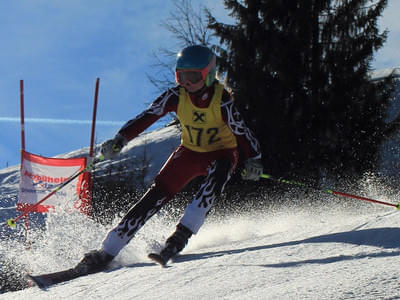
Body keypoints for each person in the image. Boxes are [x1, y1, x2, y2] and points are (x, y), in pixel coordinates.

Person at [76, 45, 262, 273]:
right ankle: (107, 250)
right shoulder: (176, 96)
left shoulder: (221, 101)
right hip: (190, 153)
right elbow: (147, 117)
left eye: (193, 77)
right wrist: (120, 139)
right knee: (157, 192)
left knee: (215, 179)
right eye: (181, 76)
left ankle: (181, 235)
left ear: (209, 75)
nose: (187, 83)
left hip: (221, 154)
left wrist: (254, 159)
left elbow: (241, 131)